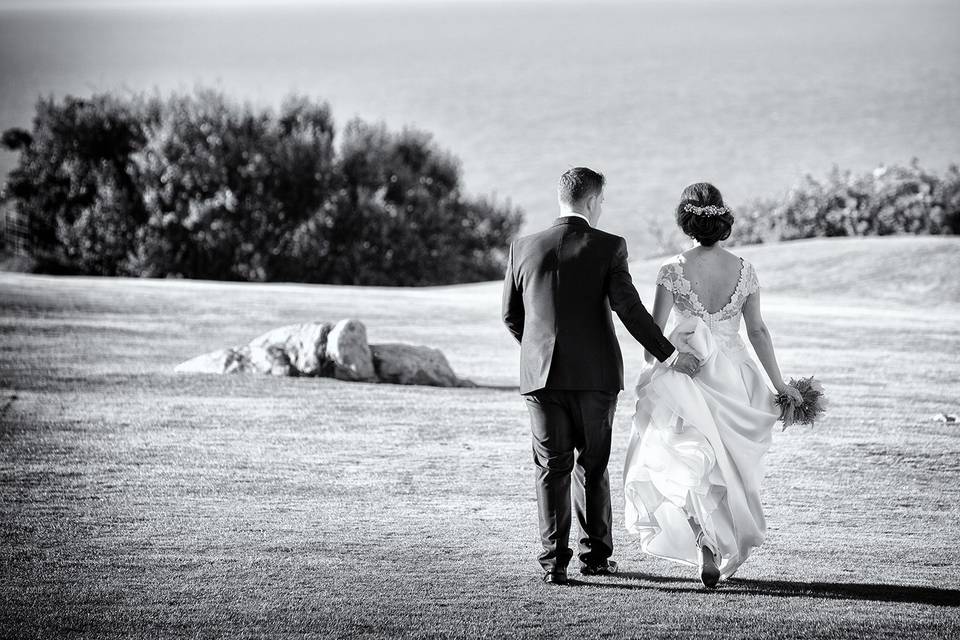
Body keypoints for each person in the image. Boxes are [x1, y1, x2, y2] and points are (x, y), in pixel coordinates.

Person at [501, 167, 700, 585]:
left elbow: (511, 316)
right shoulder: (609, 246)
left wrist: (537, 352)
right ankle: (594, 557)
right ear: (592, 201)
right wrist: (670, 355)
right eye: (602, 201)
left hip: (541, 378)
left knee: (550, 467)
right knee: (592, 466)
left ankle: (554, 562)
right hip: (595, 376)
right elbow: (628, 307)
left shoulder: (523, 247)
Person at [622, 182, 802, 588]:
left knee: (688, 461)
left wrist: (658, 363)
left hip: (689, 376)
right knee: (728, 468)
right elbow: (757, 331)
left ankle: (705, 540)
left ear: (685, 221)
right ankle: (718, 544)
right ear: (722, 220)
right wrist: (780, 385)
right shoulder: (745, 269)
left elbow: (654, 334)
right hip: (736, 379)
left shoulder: (672, 270)